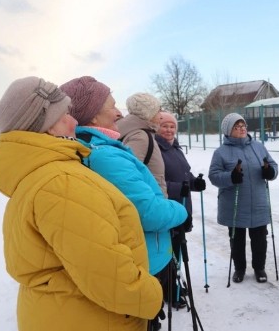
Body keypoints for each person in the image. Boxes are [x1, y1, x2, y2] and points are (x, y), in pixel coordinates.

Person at [0, 76, 163, 331]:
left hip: (62, 315)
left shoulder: (41, 175)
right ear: (49, 126)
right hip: (90, 319)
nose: (74, 121)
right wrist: (151, 296)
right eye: (65, 115)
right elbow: (110, 277)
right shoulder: (62, 183)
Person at [59, 76, 188, 330]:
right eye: (112, 106)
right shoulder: (109, 154)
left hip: (148, 249)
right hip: (146, 255)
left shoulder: (108, 148)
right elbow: (147, 211)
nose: (119, 113)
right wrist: (179, 208)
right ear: (93, 116)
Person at [208, 113, 278, 283]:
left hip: (258, 202)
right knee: (237, 239)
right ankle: (239, 269)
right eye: (236, 127)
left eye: (243, 126)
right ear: (228, 131)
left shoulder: (258, 147)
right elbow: (214, 176)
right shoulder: (221, 152)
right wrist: (231, 177)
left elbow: (273, 165)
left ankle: (259, 268)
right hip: (235, 204)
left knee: (260, 238)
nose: (241, 129)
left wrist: (270, 172)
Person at [153, 110, 207, 304]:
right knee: (168, 250)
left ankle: (174, 283)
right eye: (164, 125)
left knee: (177, 249)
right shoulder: (155, 149)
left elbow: (185, 175)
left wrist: (194, 183)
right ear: (156, 127)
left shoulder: (175, 148)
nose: (169, 129)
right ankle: (168, 289)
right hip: (168, 207)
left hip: (182, 206)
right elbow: (155, 181)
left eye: (172, 126)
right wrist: (180, 187)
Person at [117, 92, 168, 197]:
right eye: (158, 111)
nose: (161, 116)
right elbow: (129, 175)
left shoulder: (137, 132)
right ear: (148, 113)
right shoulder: (140, 136)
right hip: (150, 201)